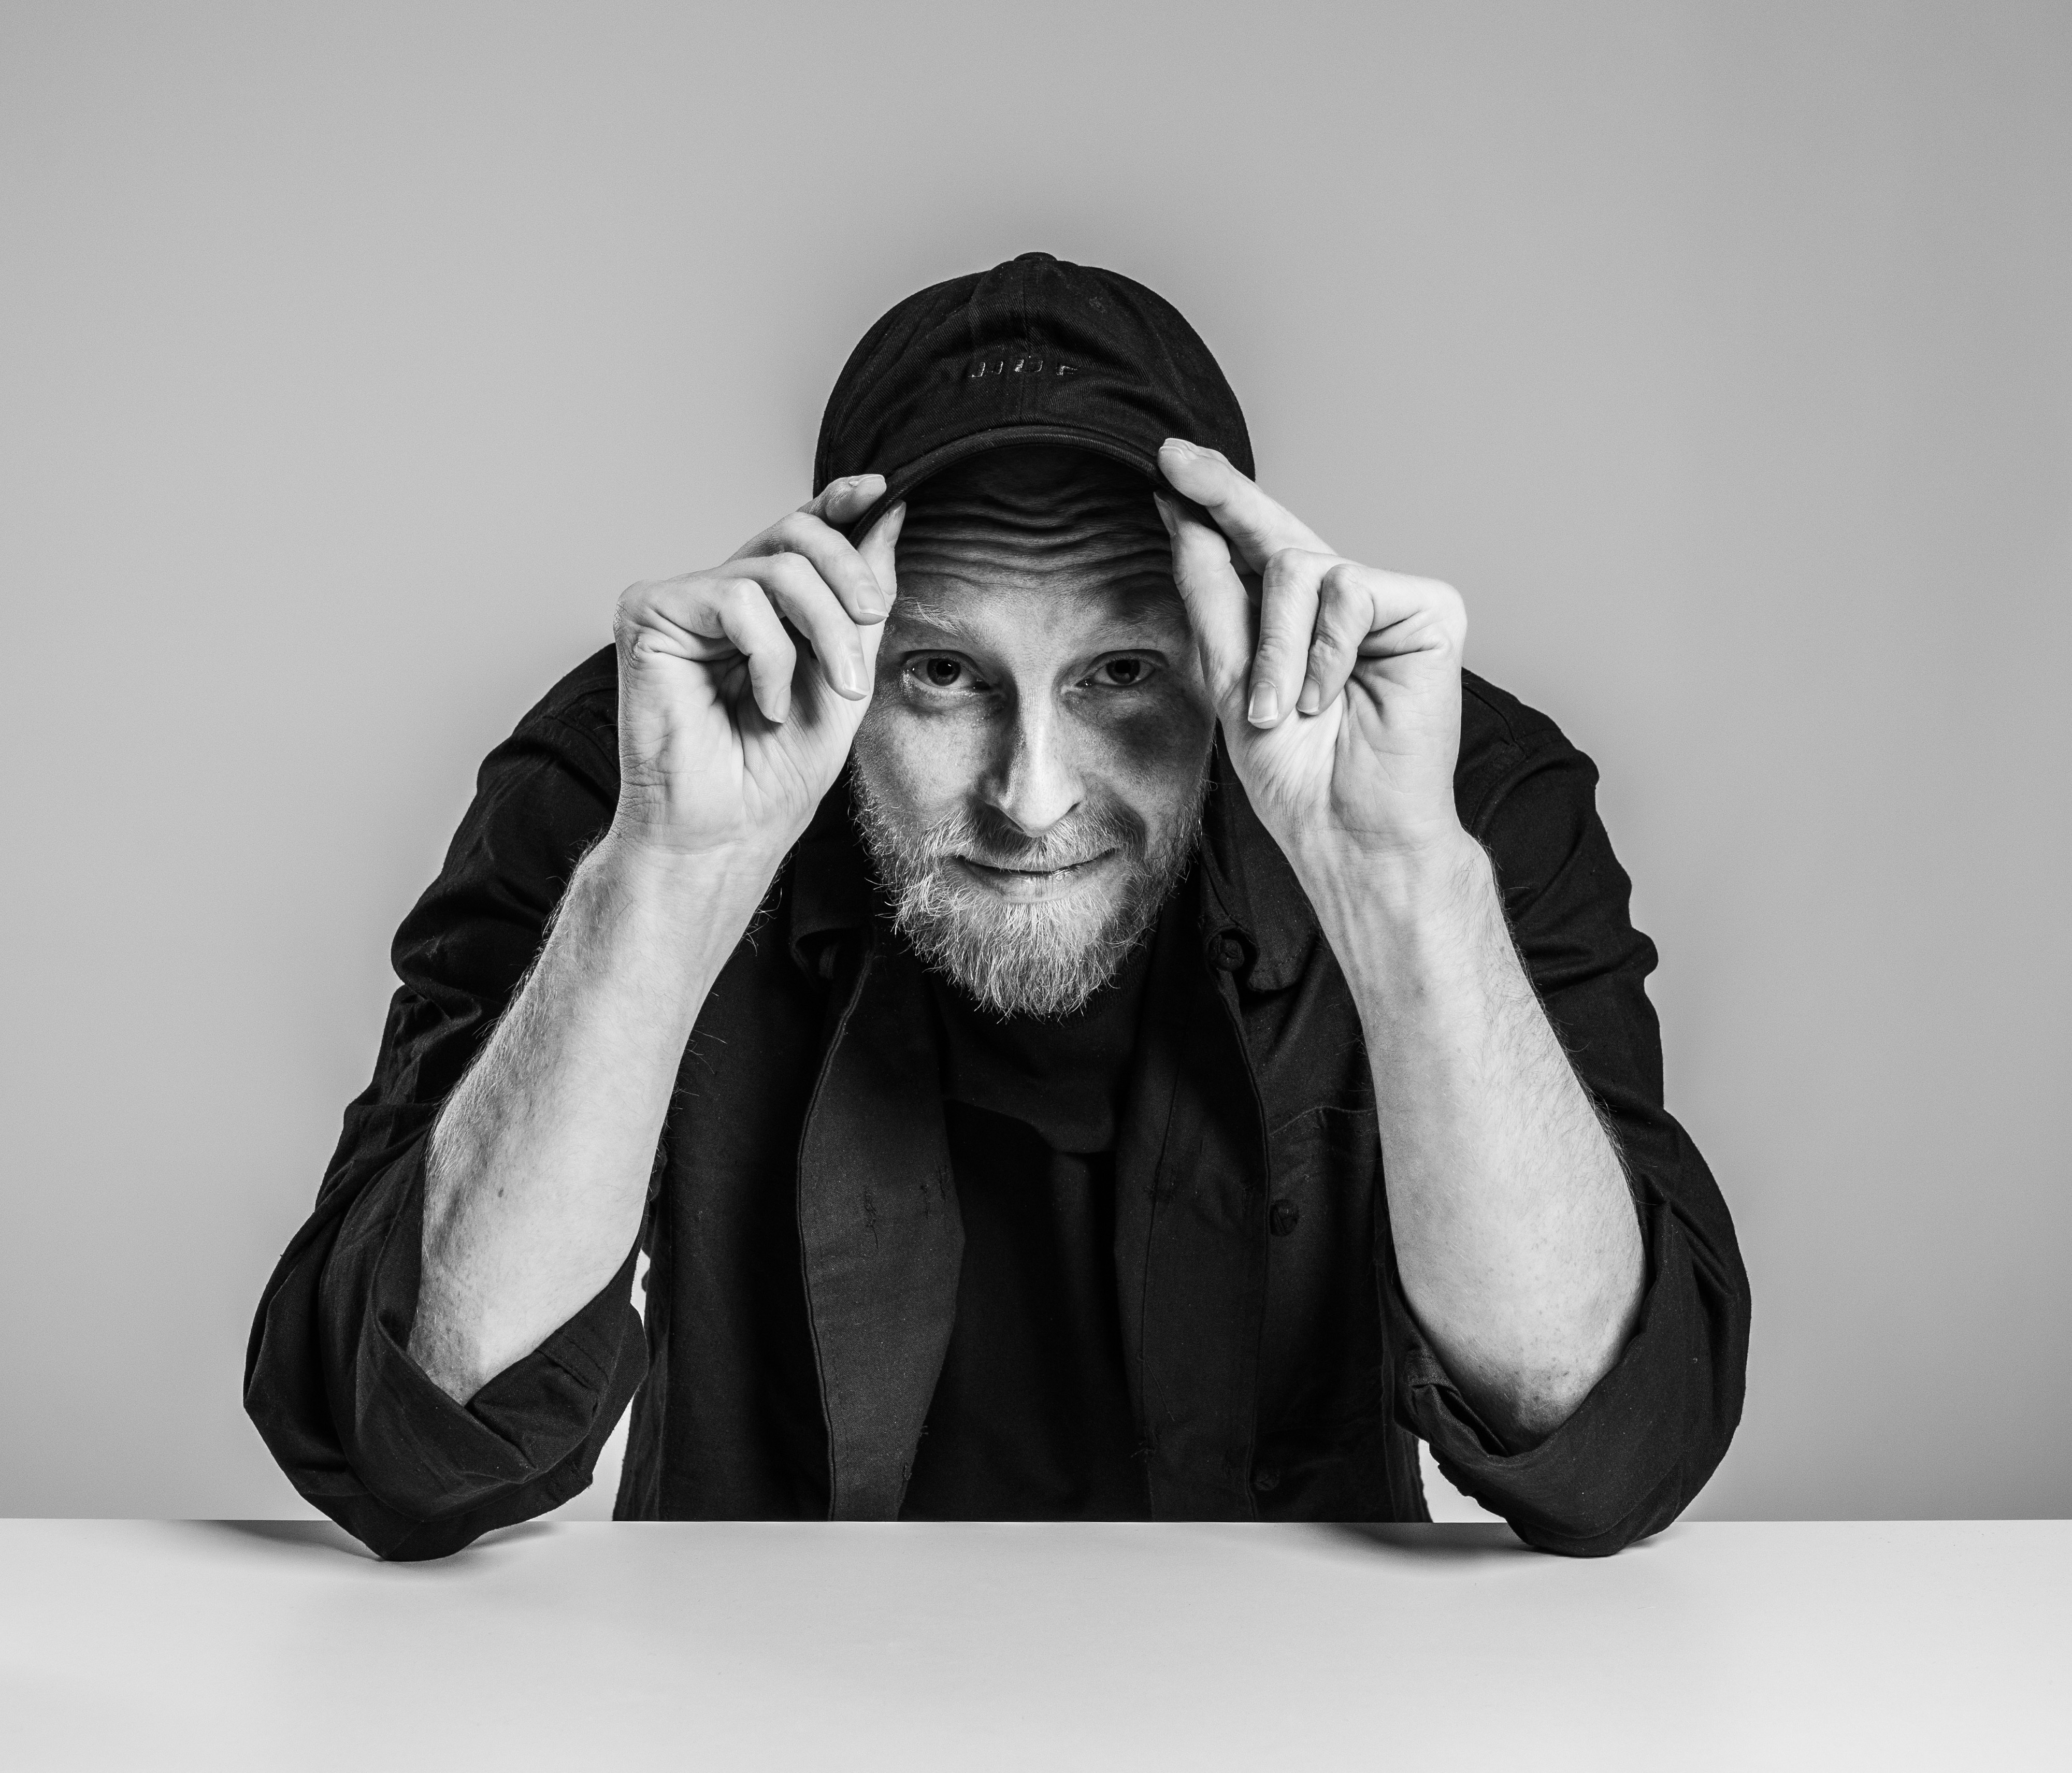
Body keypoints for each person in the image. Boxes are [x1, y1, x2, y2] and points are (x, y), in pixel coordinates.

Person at [245, 252, 1749, 1560]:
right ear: (833, 628)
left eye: (1122, 673)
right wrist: (670, 880)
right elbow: (398, 1444)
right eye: (944, 673)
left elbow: (1614, 1445)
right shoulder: (647, 772)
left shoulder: (1437, 791)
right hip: (744, 1706)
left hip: (1303, 1709)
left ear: (1234, 639)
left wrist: (1403, 888)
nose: (1031, 796)